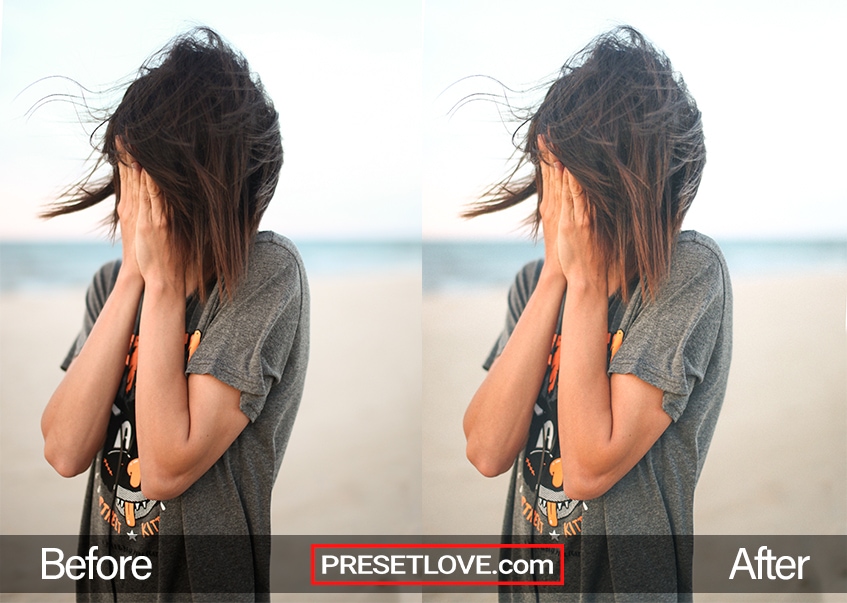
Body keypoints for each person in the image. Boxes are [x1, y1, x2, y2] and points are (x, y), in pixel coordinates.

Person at [462, 26, 732, 601]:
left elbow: (588, 467)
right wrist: (557, 275)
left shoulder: (685, 274)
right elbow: (486, 449)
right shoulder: (534, 286)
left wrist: (582, 281)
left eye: (564, 177)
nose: (551, 196)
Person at [39, 27, 309, 600]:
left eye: (143, 180)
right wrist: (134, 275)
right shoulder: (112, 287)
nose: (128, 202)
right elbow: (64, 449)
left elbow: (165, 467)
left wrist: (160, 282)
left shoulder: (264, 274)